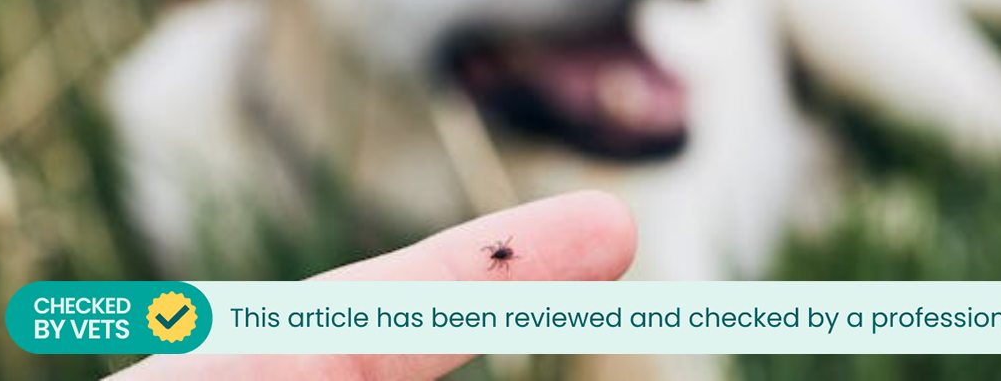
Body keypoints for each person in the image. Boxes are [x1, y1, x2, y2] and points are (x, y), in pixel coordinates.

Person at [111, 191, 638, 380]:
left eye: (502, 254)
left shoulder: (499, 255)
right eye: (502, 254)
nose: (502, 256)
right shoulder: (501, 256)